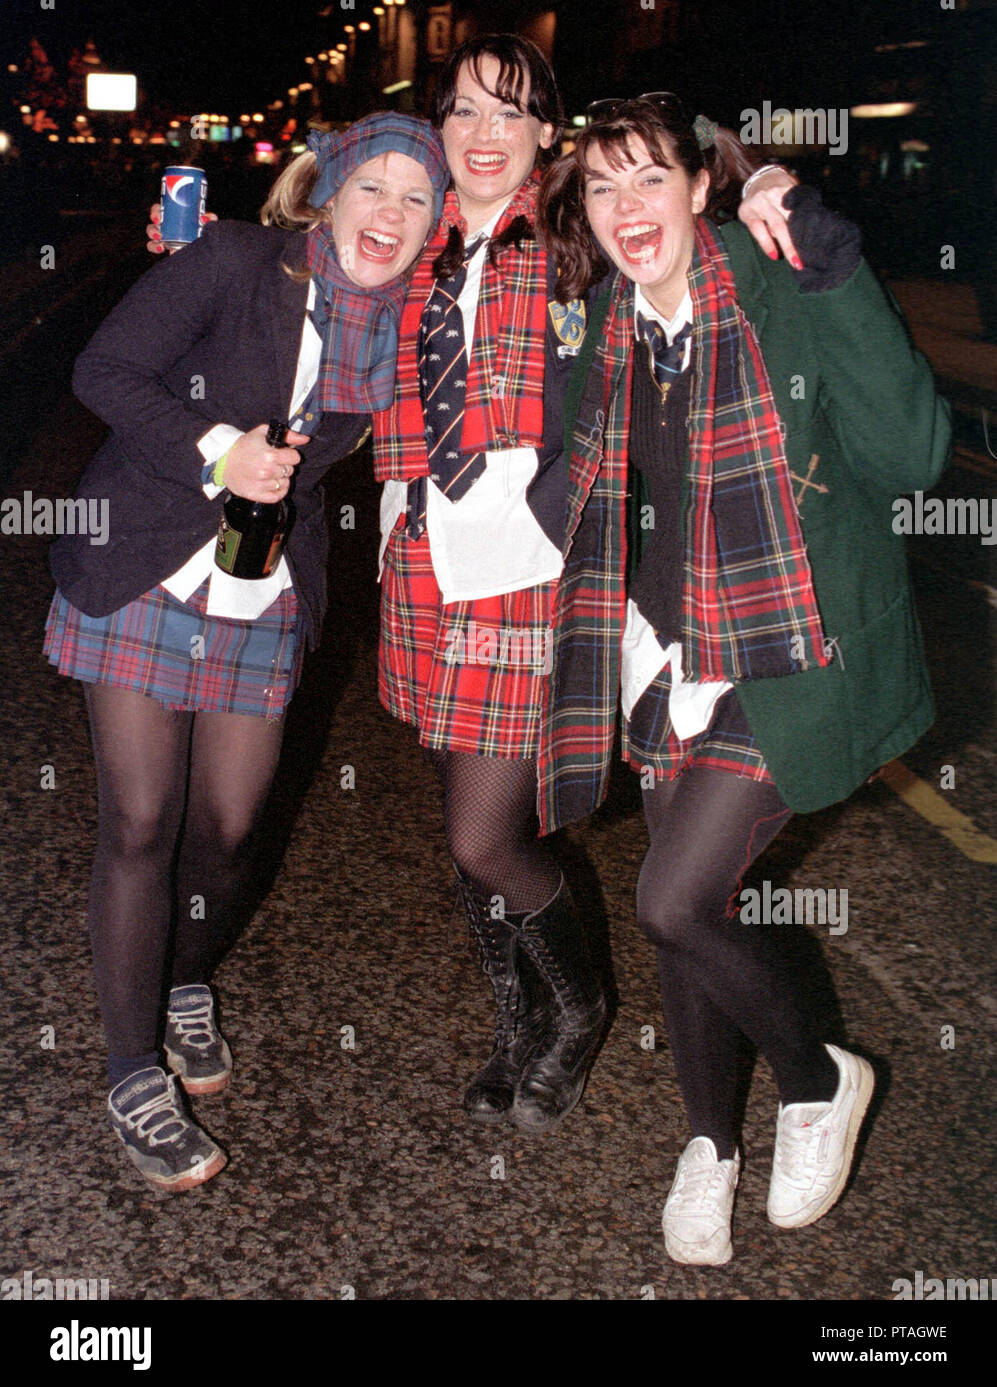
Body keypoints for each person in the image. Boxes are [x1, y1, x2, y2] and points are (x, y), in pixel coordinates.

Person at [537, 96, 950, 1261]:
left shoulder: (780, 281)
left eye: (649, 181)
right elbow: (579, 474)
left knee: (669, 900)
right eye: (603, 190)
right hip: (666, 659)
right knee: (689, 915)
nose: (627, 211)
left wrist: (835, 269)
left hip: (787, 646)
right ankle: (709, 1147)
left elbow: (913, 455)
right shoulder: (609, 322)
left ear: (701, 186)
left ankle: (821, 1078)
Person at [371, 39, 803, 1135]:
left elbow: (669, 215)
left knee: (487, 837)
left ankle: (577, 1009)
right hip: (425, 572)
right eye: (462, 110)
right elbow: (305, 258)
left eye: (508, 113)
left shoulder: (572, 233)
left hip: (535, 581)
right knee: (463, 826)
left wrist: (754, 182)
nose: (481, 133)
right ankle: (515, 1023)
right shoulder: (406, 231)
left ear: (542, 134)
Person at [44, 113, 450, 1191]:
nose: (390, 215)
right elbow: (104, 371)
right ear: (329, 191)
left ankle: (184, 978)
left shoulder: (411, 327)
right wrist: (220, 450)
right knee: (142, 820)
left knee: (228, 829)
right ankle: (134, 1069)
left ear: (435, 227)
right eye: (375, 188)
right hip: (143, 559)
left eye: (417, 201)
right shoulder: (231, 260)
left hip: (261, 586)